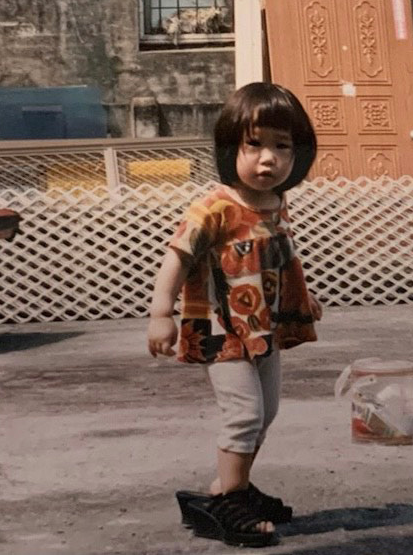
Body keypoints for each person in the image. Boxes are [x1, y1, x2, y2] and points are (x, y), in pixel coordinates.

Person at [147, 82, 323, 548]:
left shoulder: (276, 203)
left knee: (266, 413)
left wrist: (302, 301)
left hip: (264, 328)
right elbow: (178, 256)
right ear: (232, 148)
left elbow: (278, 260)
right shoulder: (216, 207)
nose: (269, 159)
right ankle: (230, 503)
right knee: (243, 414)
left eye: (281, 147)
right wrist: (161, 312)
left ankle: (230, 489)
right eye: (255, 145)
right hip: (222, 329)